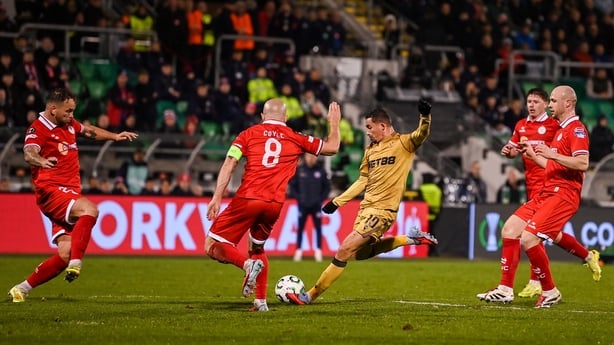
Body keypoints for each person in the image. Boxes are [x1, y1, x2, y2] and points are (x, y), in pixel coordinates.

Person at [286, 99, 438, 305]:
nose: (366, 132)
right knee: (360, 253)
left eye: (369, 127)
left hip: (383, 211)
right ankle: (409, 238)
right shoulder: (370, 150)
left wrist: (425, 117)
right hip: (365, 209)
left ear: (382, 126)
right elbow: (363, 180)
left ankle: (309, 295)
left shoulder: (404, 143)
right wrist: (338, 202)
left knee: (343, 250)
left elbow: (422, 134)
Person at [204, 98, 341, 312]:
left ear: (262, 117)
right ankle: (260, 302)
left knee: (212, 245)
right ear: (285, 118)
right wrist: (334, 123)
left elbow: (230, 163)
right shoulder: (296, 138)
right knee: (257, 247)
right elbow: (332, 148)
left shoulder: (247, 134)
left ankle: (247, 265)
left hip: (248, 198)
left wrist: (217, 197)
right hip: (274, 204)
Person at [8, 88, 138, 303]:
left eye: (73, 111)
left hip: (68, 192)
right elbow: (29, 152)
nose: (71, 115)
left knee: (64, 252)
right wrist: (41, 161)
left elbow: (88, 131)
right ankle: (76, 263)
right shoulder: (38, 128)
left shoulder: (67, 123)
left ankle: (21, 288)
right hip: (51, 190)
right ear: (52, 109)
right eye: (68, 111)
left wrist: (114, 136)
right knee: (90, 209)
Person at [478, 85, 601, 308]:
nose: (550, 105)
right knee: (510, 229)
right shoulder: (561, 129)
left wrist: (552, 153)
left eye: (553, 101)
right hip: (546, 192)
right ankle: (505, 289)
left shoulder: (576, 129)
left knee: (529, 238)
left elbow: (583, 163)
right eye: (550, 101)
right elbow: (552, 166)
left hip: (563, 194)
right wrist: (535, 155)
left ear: (568, 103)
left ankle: (550, 290)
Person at [289, 153, 331, 262]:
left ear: (316, 158)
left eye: (313, 156)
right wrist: (299, 198)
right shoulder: (300, 170)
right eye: (309, 156)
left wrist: (320, 200)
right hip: (303, 205)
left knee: (318, 228)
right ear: (305, 157)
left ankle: (318, 251)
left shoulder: (321, 171)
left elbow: (327, 188)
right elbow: (293, 186)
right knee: (300, 228)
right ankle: (298, 251)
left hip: (316, 205)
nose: (311, 158)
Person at [418, 172, 443, 256]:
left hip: (423, 215)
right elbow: (439, 202)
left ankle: (426, 250)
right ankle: (433, 250)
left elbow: (419, 201)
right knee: (432, 233)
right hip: (434, 215)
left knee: (424, 234)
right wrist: (436, 212)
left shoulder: (421, 188)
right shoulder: (436, 189)